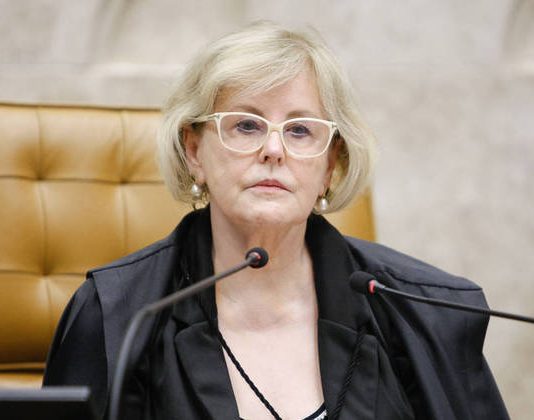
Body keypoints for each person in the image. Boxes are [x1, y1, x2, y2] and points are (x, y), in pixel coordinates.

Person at [43, 21, 509, 420]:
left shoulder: (423, 312)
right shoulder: (117, 316)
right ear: (194, 151)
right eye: (246, 125)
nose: (273, 149)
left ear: (330, 165)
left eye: (300, 130)